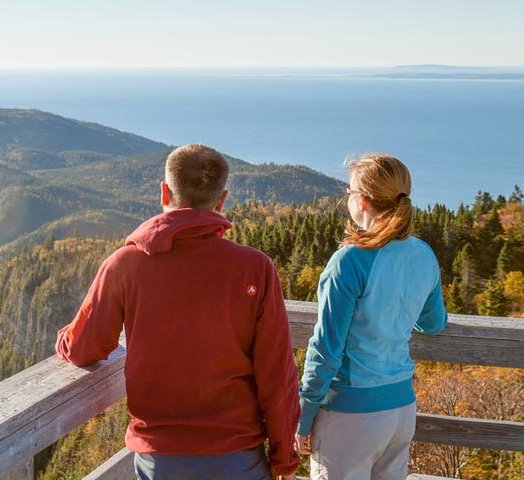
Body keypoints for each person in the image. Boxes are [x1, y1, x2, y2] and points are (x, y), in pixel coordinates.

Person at [55, 144, 300, 480]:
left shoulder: (125, 265)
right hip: (237, 455)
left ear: (164, 192)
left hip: (161, 457)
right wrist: (284, 457)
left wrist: (64, 341)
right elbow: (277, 373)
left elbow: (85, 347)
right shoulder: (255, 269)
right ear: (222, 200)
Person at [295, 153, 448, 480]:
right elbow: (434, 323)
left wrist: (303, 417)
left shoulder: (349, 261)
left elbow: (326, 350)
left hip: (350, 415)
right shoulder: (422, 253)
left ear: (362, 201)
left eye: (349, 192)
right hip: (401, 410)